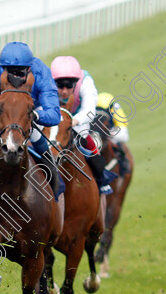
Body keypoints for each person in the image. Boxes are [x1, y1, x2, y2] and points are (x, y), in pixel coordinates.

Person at [0, 41, 62, 197]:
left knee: (50, 164)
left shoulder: (41, 72)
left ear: (29, 68)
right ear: (3, 69)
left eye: (20, 72)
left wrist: (34, 116)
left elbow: (54, 114)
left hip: (29, 118)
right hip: (5, 119)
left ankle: (55, 197)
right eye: (11, 72)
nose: (15, 77)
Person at [50, 55, 116, 194]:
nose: (64, 91)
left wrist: (73, 121)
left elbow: (89, 110)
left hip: (77, 121)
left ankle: (101, 176)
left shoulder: (85, 82)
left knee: (84, 140)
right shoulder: (46, 82)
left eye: (69, 86)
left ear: (76, 82)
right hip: (53, 120)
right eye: (60, 86)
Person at [95, 92, 131, 174]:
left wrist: (108, 134)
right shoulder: (82, 104)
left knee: (116, 142)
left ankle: (123, 166)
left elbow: (124, 135)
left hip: (110, 132)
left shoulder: (110, 103)